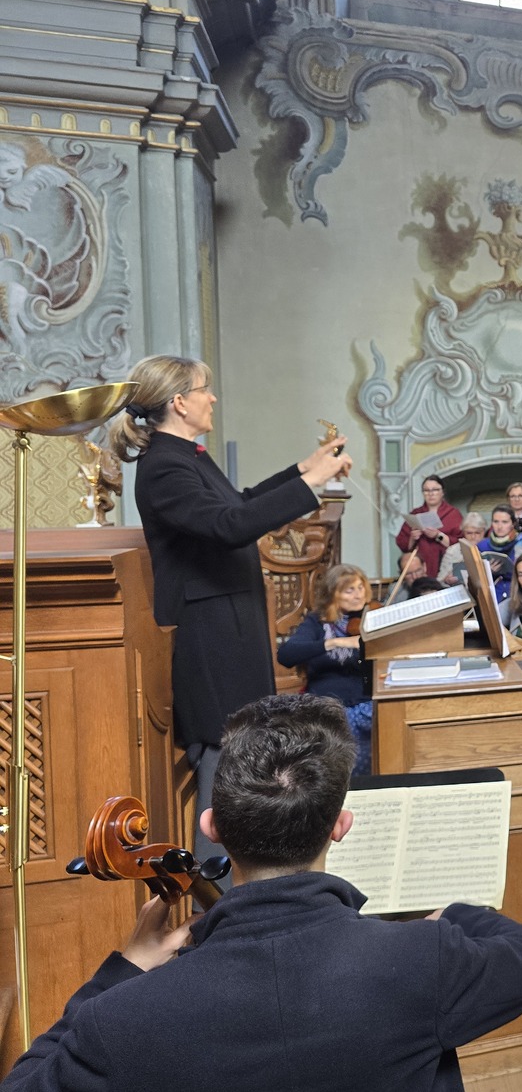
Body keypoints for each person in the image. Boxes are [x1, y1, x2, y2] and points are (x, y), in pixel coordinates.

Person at [1, 692, 522, 1092]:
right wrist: (449, 916)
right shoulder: (426, 962)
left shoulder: (121, 1021)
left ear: (212, 826)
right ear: (340, 825)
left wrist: (122, 972)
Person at [103, 355, 351, 864]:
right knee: (224, 766)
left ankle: (238, 888)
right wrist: (310, 485)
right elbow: (229, 526)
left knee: (242, 760)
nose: (212, 397)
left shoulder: (187, 456)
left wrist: (305, 470)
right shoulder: (163, 466)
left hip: (229, 630)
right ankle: (211, 897)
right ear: (179, 402)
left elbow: (239, 503)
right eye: (204, 389)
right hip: (208, 639)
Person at [276, 564, 376, 774]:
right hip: (327, 707)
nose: (358, 595)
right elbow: (286, 655)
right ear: (333, 594)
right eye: (349, 590)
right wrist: (334, 643)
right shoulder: (316, 622)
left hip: (365, 703)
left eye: (360, 587)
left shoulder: (373, 617)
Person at [394, 474, 462, 579]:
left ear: (442, 492)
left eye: (435, 490)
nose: (431, 494)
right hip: (421, 567)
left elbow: (460, 543)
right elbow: (402, 543)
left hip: (445, 565)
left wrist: (438, 535)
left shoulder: (453, 514)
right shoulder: (416, 513)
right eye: (426, 490)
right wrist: (413, 538)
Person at [476, 506, 522, 602]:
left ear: (513, 524)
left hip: (519, 593)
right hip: (492, 595)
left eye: (504, 522)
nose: (499, 527)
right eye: (496, 522)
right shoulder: (482, 545)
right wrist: (489, 573)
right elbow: (476, 579)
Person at [437, 512, 487, 587]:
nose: (473, 537)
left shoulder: (490, 548)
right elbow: (440, 581)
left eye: (477, 533)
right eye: (469, 533)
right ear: (463, 532)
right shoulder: (452, 551)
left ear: (483, 532)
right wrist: (446, 580)